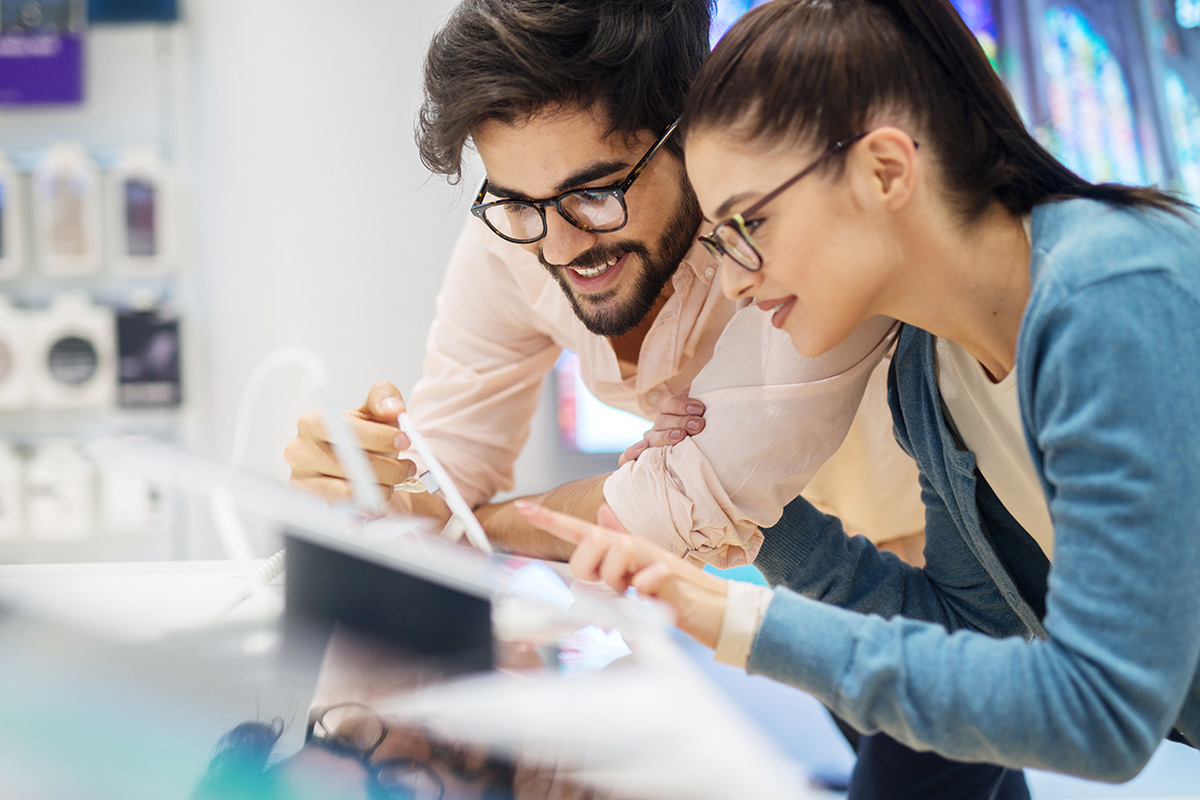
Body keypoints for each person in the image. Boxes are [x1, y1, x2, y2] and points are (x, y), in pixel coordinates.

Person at [519, 0, 1200, 786]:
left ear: (885, 169)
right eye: (718, 244)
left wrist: (731, 616)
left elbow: (1104, 715)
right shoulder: (929, 376)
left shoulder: (1109, 297)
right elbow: (976, 633)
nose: (734, 284)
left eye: (748, 226)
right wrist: (760, 519)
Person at [283, 0, 925, 569]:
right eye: (516, 200)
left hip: (948, 566)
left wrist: (487, 524)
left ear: (688, 133)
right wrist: (360, 483)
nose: (558, 247)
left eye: (593, 193)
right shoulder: (513, 236)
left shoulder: (777, 228)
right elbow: (445, 476)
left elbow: (677, 505)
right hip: (806, 585)